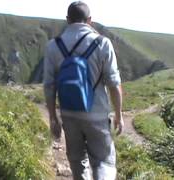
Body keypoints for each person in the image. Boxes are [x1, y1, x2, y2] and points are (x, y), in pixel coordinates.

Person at [43, 1, 124, 180]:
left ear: (67, 19)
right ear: (90, 20)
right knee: (104, 161)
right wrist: (119, 115)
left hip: (69, 114)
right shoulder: (102, 43)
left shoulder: (53, 46)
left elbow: (49, 86)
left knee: (77, 160)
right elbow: (114, 83)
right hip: (97, 115)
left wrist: (53, 118)